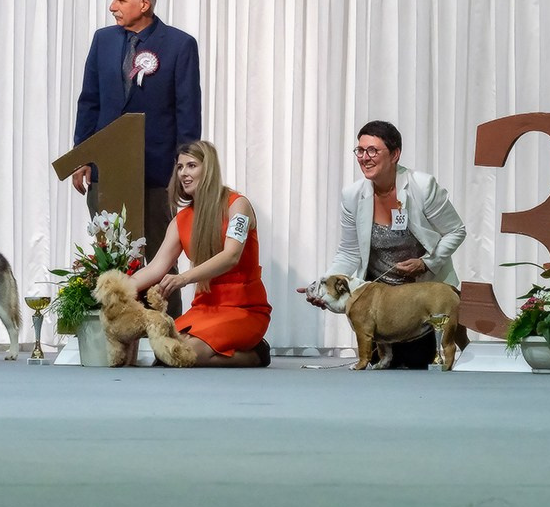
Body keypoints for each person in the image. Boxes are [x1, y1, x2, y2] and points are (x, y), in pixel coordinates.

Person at [71, 0, 202, 318]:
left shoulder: (180, 45)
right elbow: (90, 101)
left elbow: (188, 112)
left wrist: (186, 172)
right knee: (111, 256)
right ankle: (115, 331)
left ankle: (170, 331)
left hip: (158, 173)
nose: (112, 5)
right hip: (108, 171)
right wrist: (81, 156)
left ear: (144, 4)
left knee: (162, 256)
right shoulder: (103, 40)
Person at [298, 120, 466, 368]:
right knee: (377, 363)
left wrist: (426, 262)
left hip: (420, 297)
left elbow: (456, 230)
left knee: (415, 362)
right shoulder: (353, 195)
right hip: (377, 304)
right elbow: (349, 251)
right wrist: (324, 285)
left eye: (373, 150)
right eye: (360, 150)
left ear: (395, 154)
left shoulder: (422, 186)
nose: (365, 157)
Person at [130, 140, 272, 367]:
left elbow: (231, 256)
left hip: (243, 309)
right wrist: (117, 290)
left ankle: (257, 354)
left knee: (186, 354)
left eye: (192, 166)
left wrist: (183, 278)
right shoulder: (181, 220)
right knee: (165, 352)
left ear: (209, 169)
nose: (183, 173)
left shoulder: (238, 205)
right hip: (204, 308)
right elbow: (156, 267)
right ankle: (232, 350)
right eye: (180, 167)